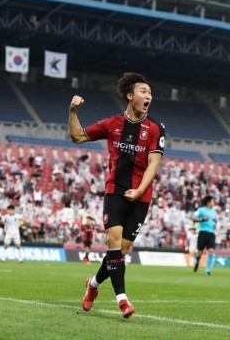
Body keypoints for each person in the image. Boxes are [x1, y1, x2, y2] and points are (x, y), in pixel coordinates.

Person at [69, 72, 165, 318]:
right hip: (115, 191)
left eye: (150, 93)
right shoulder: (112, 124)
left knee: (120, 251)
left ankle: (92, 285)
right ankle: (122, 300)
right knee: (112, 241)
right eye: (144, 91)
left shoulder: (155, 128)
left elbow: (154, 165)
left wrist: (140, 190)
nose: (149, 96)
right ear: (130, 96)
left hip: (141, 196)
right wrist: (72, 112)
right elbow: (77, 136)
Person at [192, 195, 217, 276]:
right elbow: (194, 219)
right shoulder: (201, 210)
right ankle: (197, 262)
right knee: (200, 252)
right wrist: (202, 219)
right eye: (212, 201)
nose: (214, 203)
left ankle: (207, 270)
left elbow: (214, 221)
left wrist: (214, 225)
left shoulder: (213, 212)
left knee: (211, 251)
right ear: (208, 202)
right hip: (202, 232)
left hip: (211, 233)